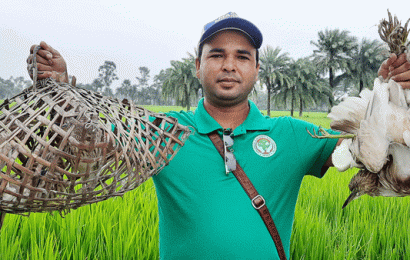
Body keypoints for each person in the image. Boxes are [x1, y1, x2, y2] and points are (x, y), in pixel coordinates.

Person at [26, 12, 410, 259]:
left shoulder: (292, 134)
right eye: (216, 54)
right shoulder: (164, 131)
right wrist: (60, 88)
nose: (229, 65)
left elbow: (367, 148)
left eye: (242, 56)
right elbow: (90, 134)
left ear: (257, 70)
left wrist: (391, 94)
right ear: (198, 66)